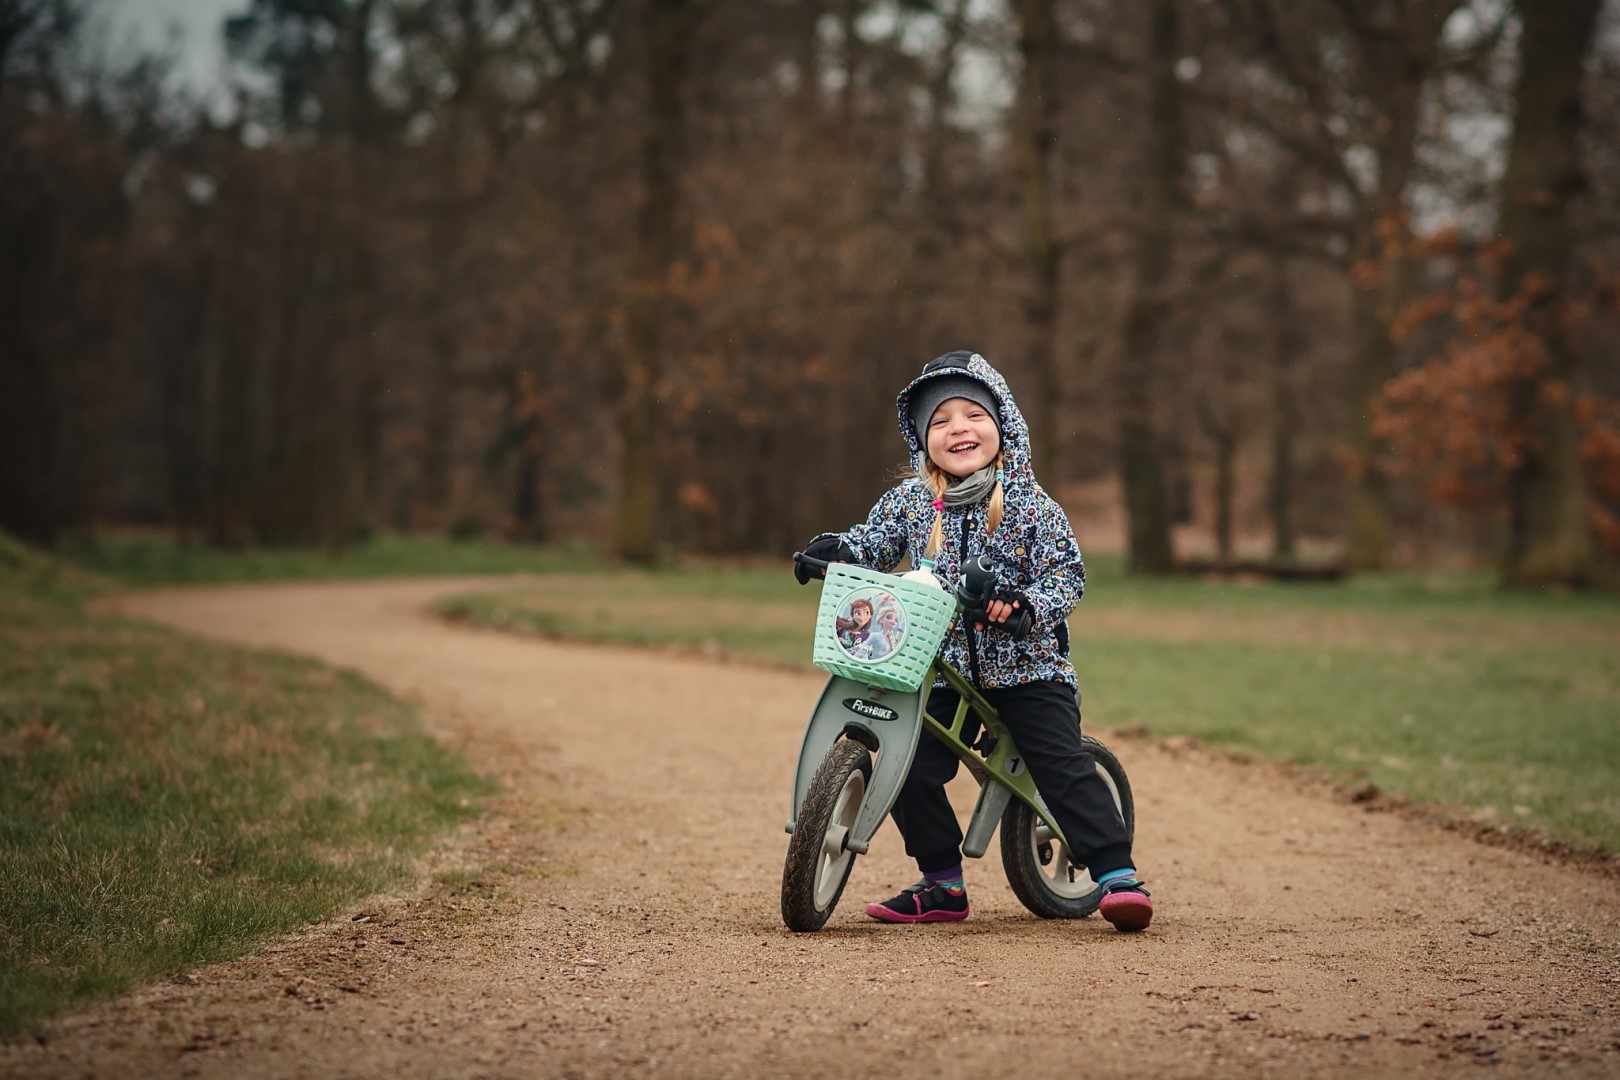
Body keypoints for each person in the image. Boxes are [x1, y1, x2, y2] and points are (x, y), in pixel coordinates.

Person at [794, 350, 1152, 932]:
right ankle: (941, 882)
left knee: (1057, 758)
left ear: (1003, 423)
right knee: (907, 757)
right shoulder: (910, 503)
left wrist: (1024, 607)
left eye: (973, 415)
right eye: (940, 421)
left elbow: (1068, 577)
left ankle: (1114, 870)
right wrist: (837, 555)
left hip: (1027, 670)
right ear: (922, 439)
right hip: (939, 666)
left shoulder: (1032, 508)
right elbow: (871, 544)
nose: (958, 428)